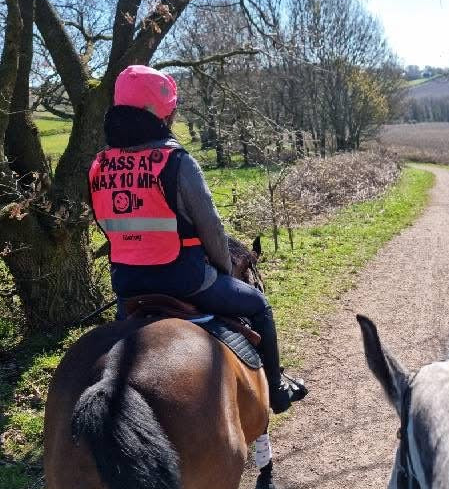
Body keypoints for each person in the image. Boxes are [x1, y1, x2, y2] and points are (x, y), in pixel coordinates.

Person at [88, 64, 308, 418]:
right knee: (259, 307)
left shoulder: (98, 165)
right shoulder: (176, 161)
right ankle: (277, 390)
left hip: (127, 286)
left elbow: (106, 224)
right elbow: (211, 228)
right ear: (161, 114)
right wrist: (222, 270)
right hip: (187, 280)